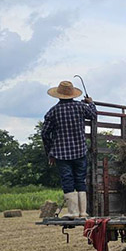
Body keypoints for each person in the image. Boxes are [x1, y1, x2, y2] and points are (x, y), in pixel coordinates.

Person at [42, 80, 97, 218]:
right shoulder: (80, 107)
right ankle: (83, 212)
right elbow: (93, 115)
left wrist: (50, 153)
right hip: (80, 151)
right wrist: (91, 102)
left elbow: (45, 134)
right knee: (80, 180)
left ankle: (73, 212)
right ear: (72, 94)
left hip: (61, 153)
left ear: (58, 95)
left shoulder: (53, 111)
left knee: (67, 180)